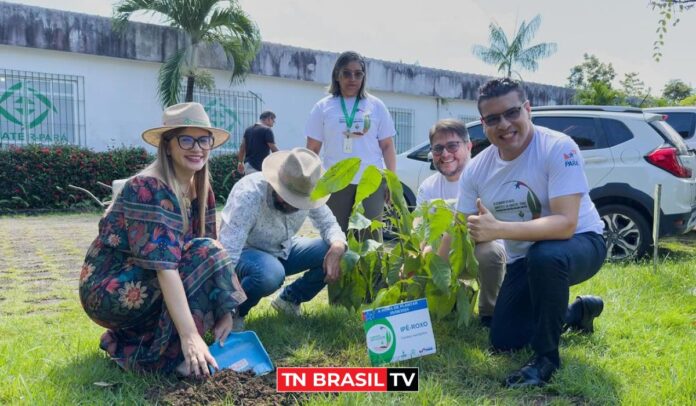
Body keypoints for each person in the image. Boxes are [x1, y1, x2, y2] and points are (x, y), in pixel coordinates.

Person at [457, 78, 606, 388]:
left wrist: (498, 229)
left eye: (512, 113)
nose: (505, 124)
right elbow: (457, 227)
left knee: (545, 254)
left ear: (527, 109)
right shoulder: (476, 169)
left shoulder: (557, 147)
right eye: (493, 118)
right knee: (504, 341)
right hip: (524, 259)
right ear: (483, 124)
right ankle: (577, 312)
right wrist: (424, 263)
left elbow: (565, 224)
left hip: (581, 244)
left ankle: (546, 358)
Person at [79, 102, 247, 377]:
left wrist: (225, 312)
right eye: (186, 139)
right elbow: (165, 267)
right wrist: (190, 336)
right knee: (200, 255)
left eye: (204, 139)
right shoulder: (148, 187)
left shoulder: (201, 189)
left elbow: (210, 260)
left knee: (207, 252)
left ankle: (146, 344)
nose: (197, 147)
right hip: (108, 288)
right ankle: (165, 359)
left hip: (145, 277)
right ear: (167, 145)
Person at [219, 147, 347, 329]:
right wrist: (226, 308)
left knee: (338, 250)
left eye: (300, 201)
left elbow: (329, 225)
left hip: (284, 247)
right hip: (247, 252)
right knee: (270, 274)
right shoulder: (249, 195)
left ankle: (289, 300)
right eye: (289, 197)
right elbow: (227, 255)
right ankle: (237, 314)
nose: (295, 205)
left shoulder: (308, 189)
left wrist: (337, 247)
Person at [416, 118, 506, 327]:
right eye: (438, 149)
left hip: (481, 249)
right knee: (421, 254)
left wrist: (435, 256)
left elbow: (480, 230)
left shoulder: (485, 178)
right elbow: (419, 227)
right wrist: (418, 253)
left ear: (468, 146)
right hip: (445, 252)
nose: (445, 154)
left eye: (452, 146)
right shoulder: (428, 186)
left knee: (489, 253)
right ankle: (449, 300)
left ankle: (489, 312)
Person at [305, 51, 397, 239]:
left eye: (358, 73)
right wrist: (310, 180)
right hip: (336, 182)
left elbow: (387, 146)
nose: (352, 78)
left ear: (364, 76)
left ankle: (373, 271)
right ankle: (335, 269)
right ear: (337, 75)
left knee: (370, 237)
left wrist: (392, 180)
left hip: (370, 182)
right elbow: (312, 149)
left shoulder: (376, 106)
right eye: (346, 73)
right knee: (337, 237)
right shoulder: (323, 107)